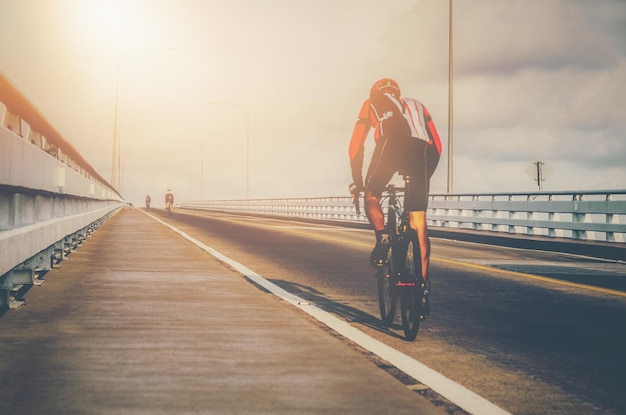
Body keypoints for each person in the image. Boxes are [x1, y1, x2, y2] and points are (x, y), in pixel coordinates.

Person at [348, 78, 442, 292]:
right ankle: (423, 290)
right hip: (420, 151)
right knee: (418, 224)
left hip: (391, 143)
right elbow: (437, 145)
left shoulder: (372, 101)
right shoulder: (418, 105)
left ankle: (382, 238)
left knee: (372, 194)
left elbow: (356, 145)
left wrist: (359, 182)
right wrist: (423, 178)